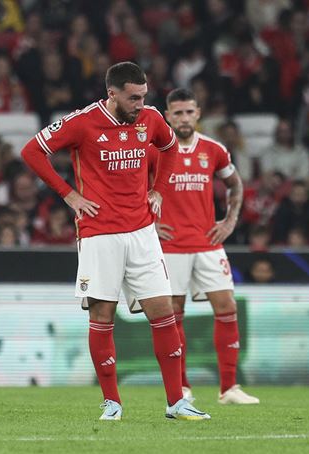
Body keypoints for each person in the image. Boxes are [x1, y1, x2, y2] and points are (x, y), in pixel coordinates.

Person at [20, 62, 209, 421]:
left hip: (142, 233)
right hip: (98, 234)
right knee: (102, 315)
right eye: (133, 97)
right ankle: (112, 402)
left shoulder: (151, 119)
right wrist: (69, 196)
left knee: (163, 313)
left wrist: (158, 190)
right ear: (112, 93)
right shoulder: (82, 122)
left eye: (143, 96)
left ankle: (176, 402)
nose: (140, 103)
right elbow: (32, 152)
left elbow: (169, 149)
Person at [153, 88, 259, 405]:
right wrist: (150, 224)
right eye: (178, 113)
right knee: (174, 314)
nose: (184, 118)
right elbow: (132, 189)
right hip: (170, 246)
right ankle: (182, 387)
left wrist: (229, 222)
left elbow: (235, 184)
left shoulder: (213, 149)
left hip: (207, 244)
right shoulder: (154, 150)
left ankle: (229, 388)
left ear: (198, 114)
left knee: (227, 306)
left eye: (189, 112)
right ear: (168, 116)